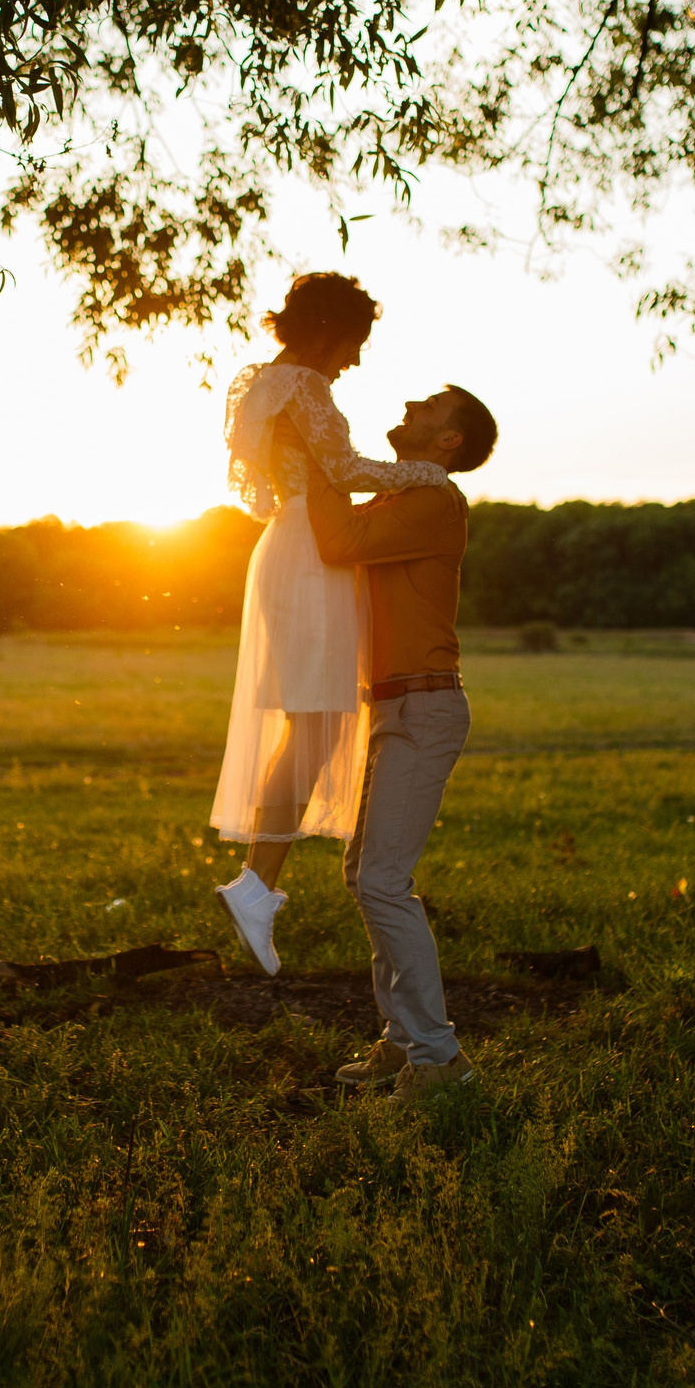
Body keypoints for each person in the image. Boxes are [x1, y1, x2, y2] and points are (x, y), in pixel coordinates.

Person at [210, 274, 449, 976]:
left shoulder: (263, 384)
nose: (355, 359)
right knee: (313, 725)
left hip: (293, 542)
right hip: (312, 552)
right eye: (354, 341)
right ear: (325, 329)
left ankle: (258, 883)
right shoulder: (305, 385)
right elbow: (341, 466)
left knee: (309, 724)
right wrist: (426, 473)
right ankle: (256, 886)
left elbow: (270, 485)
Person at [282, 383, 499, 1100]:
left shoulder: (436, 503)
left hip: (425, 707)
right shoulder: (400, 499)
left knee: (382, 880)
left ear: (450, 442)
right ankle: (405, 1042)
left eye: (432, 404)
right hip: (394, 708)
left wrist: (317, 456)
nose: (413, 403)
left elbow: (338, 542)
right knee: (363, 876)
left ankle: (442, 1062)